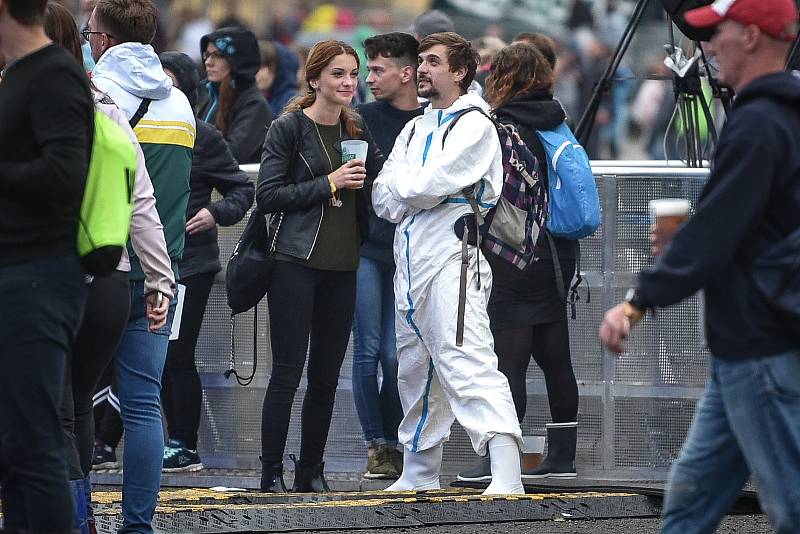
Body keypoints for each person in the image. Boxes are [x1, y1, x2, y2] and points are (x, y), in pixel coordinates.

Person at [599, 0, 800, 531]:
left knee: (791, 506)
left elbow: (717, 233)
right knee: (689, 502)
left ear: (752, 37)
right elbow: (750, 223)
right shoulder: (780, 118)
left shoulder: (757, 124)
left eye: (718, 32)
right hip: (754, 341)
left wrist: (636, 302)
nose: (708, 47)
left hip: (759, 342)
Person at [372, 32, 523, 495]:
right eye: (421, 61)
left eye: (432, 61)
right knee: (415, 367)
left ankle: (506, 469)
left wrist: (410, 188)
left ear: (459, 71)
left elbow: (419, 186)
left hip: (455, 258)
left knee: (467, 356)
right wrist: (411, 188)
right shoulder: (417, 126)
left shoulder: (476, 124)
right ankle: (418, 470)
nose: (422, 69)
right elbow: (383, 195)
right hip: (411, 257)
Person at [44, 4, 175, 531]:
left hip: (47, 280)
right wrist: (162, 278)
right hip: (113, 280)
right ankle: (96, 522)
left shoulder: (25, 104)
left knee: (47, 405)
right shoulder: (109, 109)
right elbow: (141, 202)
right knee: (81, 404)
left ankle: (70, 519)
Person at [256, 39, 384, 493]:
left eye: (353, 73)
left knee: (327, 377)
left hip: (344, 262)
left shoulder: (357, 126)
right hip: (295, 260)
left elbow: (373, 192)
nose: (349, 82)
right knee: (288, 373)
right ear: (314, 79)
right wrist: (327, 181)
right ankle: (271, 471)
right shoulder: (289, 127)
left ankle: (310, 469)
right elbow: (268, 196)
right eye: (338, 74)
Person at [87, 0, 195, 530]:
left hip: (100, 268)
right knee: (144, 405)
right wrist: (164, 276)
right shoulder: (179, 101)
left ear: (104, 40)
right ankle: (138, 525)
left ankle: (78, 516)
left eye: (90, 31)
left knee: (74, 402)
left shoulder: (94, 96)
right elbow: (167, 198)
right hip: (162, 270)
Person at [457, 43, 580, 484]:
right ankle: (562, 458)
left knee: (508, 359)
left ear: (503, 77)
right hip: (558, 251)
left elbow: (496, 194)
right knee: (555, 355)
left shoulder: (504, 126)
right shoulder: (557, 120)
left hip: (515, 253)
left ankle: (501, 458)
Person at [0, 0, 93, 529]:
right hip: (19, 274)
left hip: (38, 278)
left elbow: (64, 177)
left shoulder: (53, 75)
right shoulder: (19, 75)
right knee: (16, 448)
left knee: (35, 447)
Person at [159, 50, 255, 472]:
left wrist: (213, 212)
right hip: (145, 260)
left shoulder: (201, 135)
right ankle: (131, 441)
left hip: (190, 264)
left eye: (170, 81)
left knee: (177, 354)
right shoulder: (136, 128)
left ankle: (183, 444)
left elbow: (241, 190)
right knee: (149, 354)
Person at [353, 32, 423, 480]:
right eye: (368, 68)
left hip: (414, 251)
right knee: (368, 351)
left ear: (407, 73)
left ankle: (399, 440)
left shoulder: (435, 121)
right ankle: (378, 446)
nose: (369, 77)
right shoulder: (361, 118)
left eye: (378, 69)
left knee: (400, 355)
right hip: (366, 247)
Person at [198, 26, 272, 164]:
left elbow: (232, 154)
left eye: (218, 55)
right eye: (207, 55)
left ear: (238, 61)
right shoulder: (213, 97)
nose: (208, 62)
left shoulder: (254, 105)